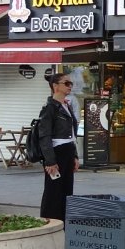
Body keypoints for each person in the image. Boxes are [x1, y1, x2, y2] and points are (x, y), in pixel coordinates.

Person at [38, 73, 80, 221]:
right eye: (66, 83)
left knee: (67, 189)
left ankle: (63, 221)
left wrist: (74, 155)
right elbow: (45, 136)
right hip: (57, 151)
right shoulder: (50, 108)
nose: (70, 86)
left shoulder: (66, 105)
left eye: (71, 84)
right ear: (55, 86)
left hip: (67, 150)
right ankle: (49, 220)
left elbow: (72, 133)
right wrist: (50, 160)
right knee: (53, 190)